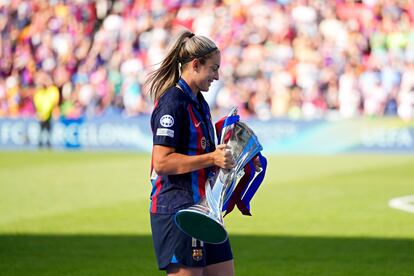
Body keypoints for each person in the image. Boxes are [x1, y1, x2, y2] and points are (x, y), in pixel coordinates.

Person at [146, 29, 235, 276]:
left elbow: (203, 153)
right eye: (213, 68)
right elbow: (161, 162)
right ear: (195, 65)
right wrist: (211, 157)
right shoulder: (172, 102)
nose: (217, 76)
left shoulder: (199, 102)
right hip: (178, 210)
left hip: (204, 208)